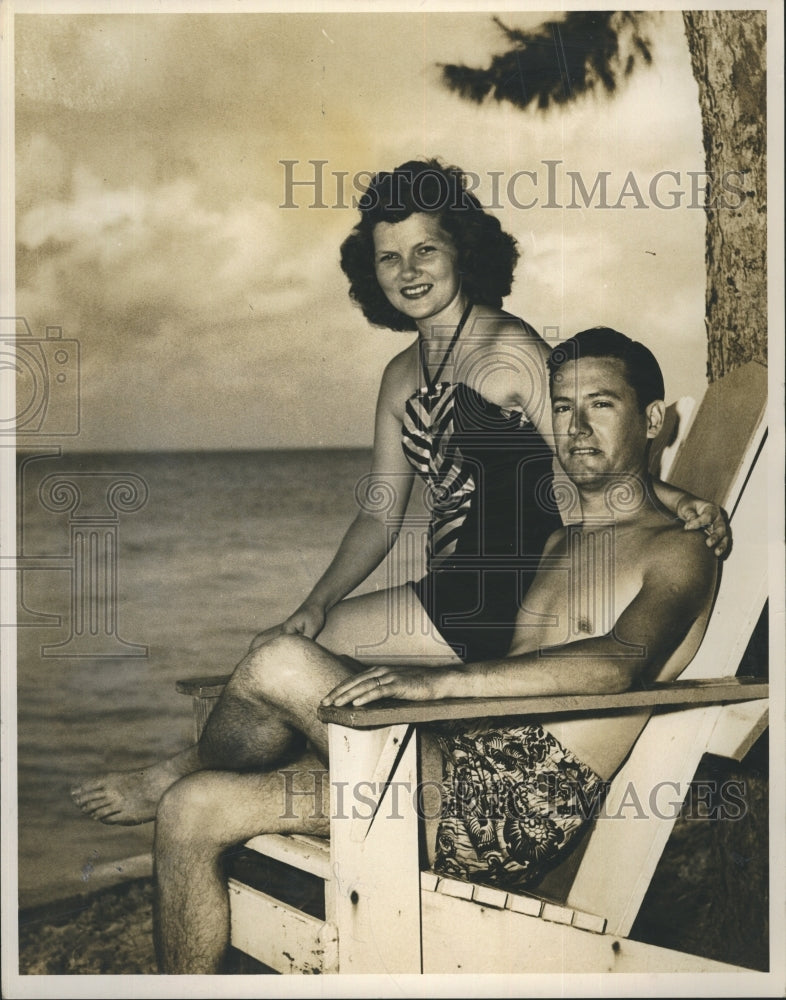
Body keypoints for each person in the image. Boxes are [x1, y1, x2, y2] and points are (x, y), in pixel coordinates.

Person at [72, 159, 727, 827]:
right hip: (448, 593)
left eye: (425, 250)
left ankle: (184, 775)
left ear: (462, 254)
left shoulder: (512, 348)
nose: (409, 270)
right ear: (370, 272)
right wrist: (315, 603)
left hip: (512, 595)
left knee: (282, 670)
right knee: (289, 650)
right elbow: (380, 515)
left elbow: (585, 454)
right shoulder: (398, 375)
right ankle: (224, 796)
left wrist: (672, 502)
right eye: (389, 258)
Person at [145, 326, 719, 972]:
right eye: (561, 407)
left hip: (509, 808)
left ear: (650, 420)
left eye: (600, 405)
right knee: (188, 813)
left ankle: (189, 760)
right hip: (444, 771)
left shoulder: (681, 550)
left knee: (280, 661)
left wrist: (429, 685)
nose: (576, 427)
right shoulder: (561, 545)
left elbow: (621, 664)